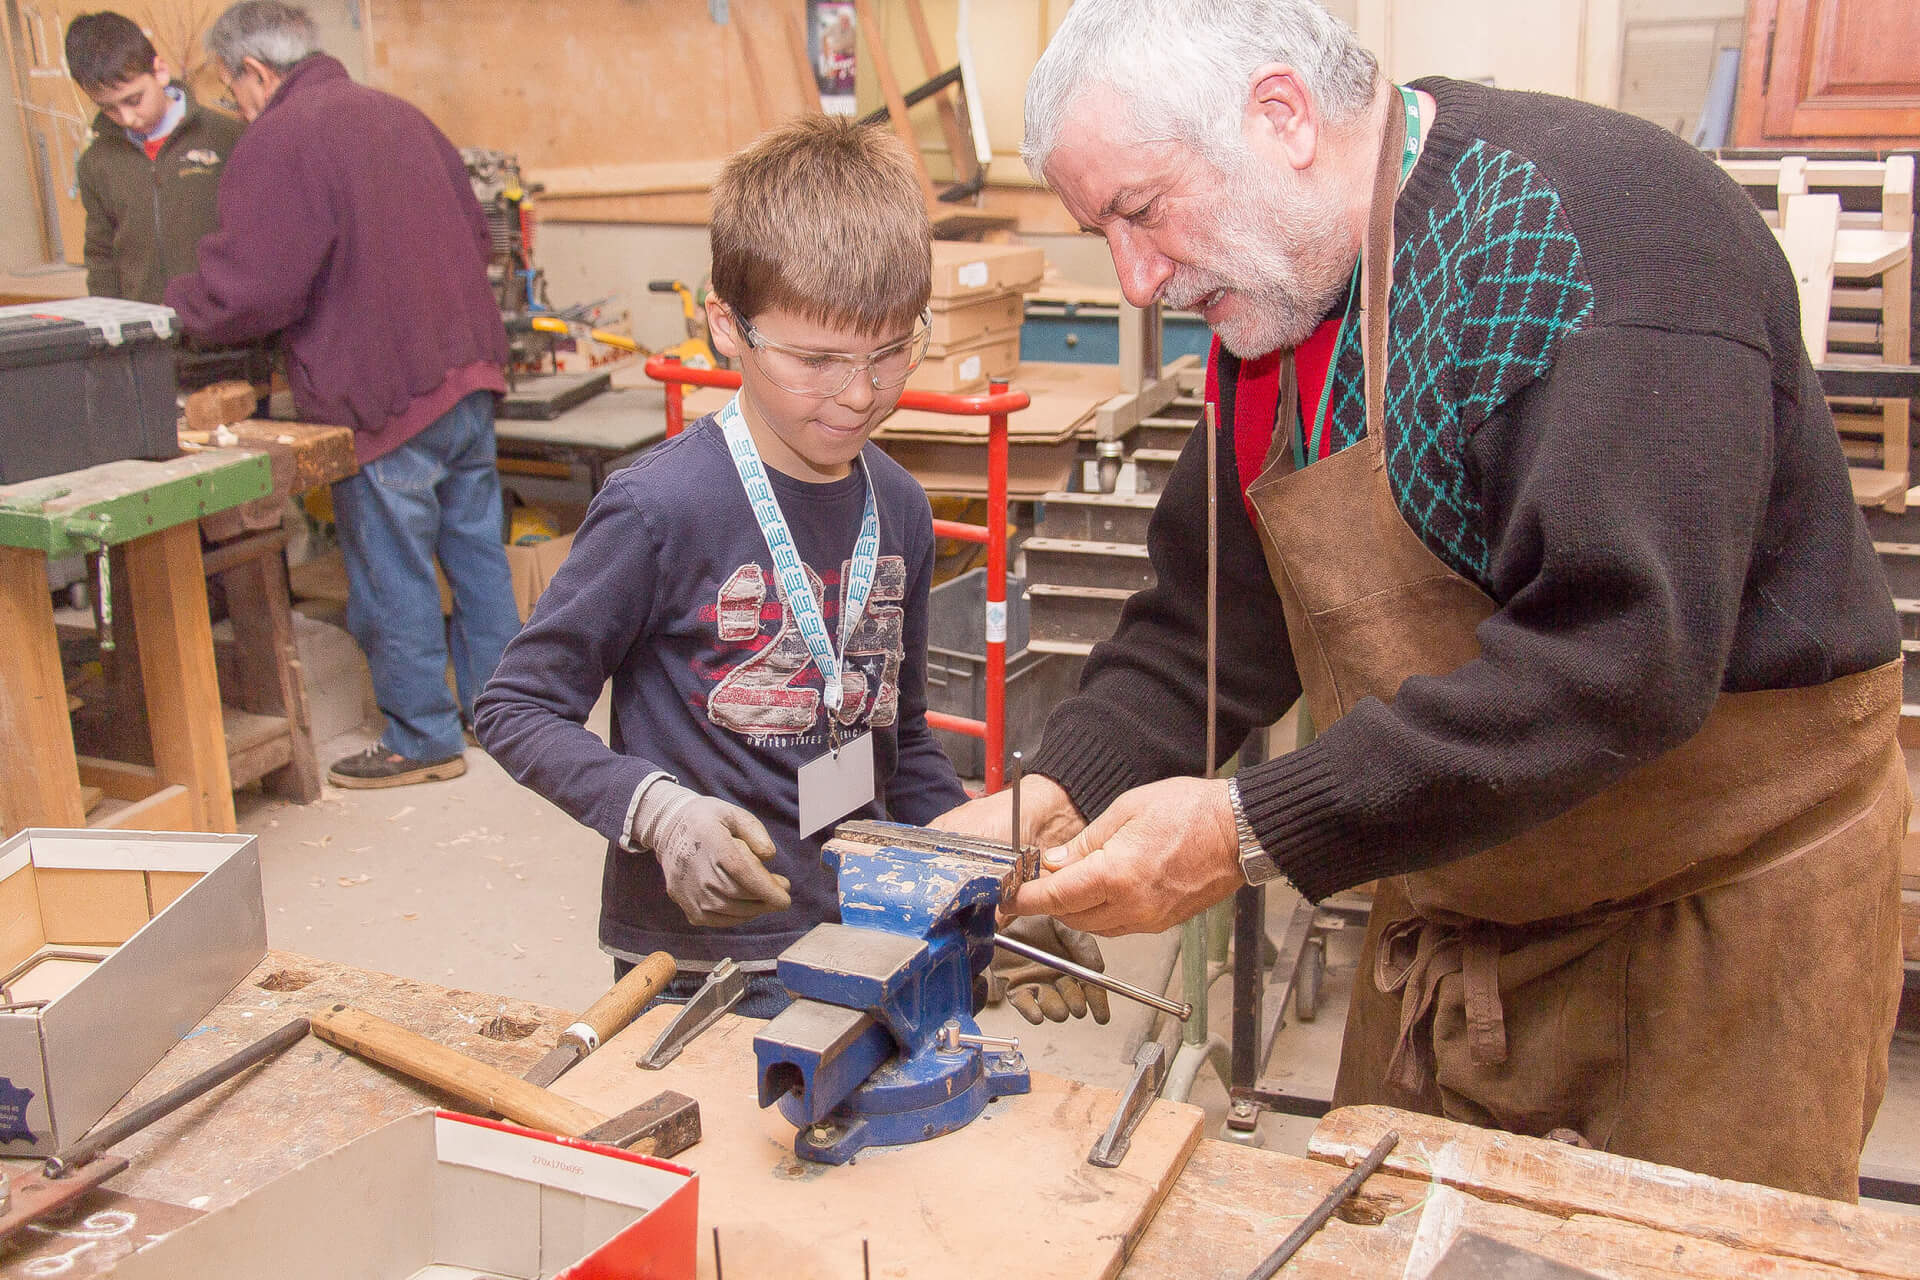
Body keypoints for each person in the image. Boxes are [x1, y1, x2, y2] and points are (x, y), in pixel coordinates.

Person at [937, 0, 1908, 1200]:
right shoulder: (1278, 310)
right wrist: (1050, 789)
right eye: (1105, 234)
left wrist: (1249, 829)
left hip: (1712, 925)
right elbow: (1206, 626)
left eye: (1141, 212)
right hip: (1464, 878)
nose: (1137, 280)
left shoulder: (1602, 238)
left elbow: (1621, 659)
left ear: (1282, 116)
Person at [474, 117, 1108, 1025]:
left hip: (863, 934)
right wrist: (657, 812)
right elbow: (516, 706)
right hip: (696, 963)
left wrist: (983, 902)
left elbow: (903, 742)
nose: (858, 394)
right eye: (817, 361)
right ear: (726, 327)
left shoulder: (900, 509)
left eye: (892, 351)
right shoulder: (660, 509)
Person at [164, 1, 522, 790]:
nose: (235, 103)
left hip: (384, 391)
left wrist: (176, 305)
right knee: (476, 553)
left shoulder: (282, 138)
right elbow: (475, 237)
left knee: (391, 568)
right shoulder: (401, 115)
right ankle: (510, 719)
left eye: (231, 88)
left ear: (255, 73)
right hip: (466, 372)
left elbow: (253, 288)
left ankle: (423, 739)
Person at [65, 11, 266, 389]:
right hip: (144, 354)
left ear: (159, 71)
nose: (127, 117)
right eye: (109, 108)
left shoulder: (230, 138)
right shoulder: (97, 162)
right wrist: (111, 336)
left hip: (227, 350)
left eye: (134, 99)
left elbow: (257, 245)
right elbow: (102, 255)